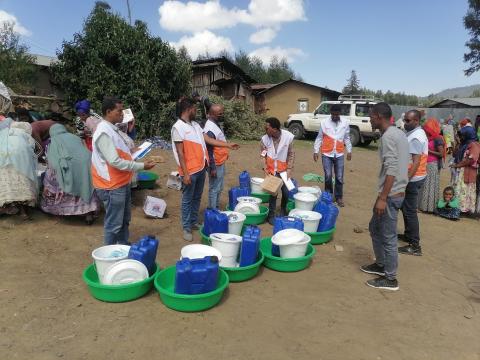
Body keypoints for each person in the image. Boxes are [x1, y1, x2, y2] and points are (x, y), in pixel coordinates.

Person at [92, 96, 155, 245]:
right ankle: (109, 255)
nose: (122, 114)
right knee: (114, 224)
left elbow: (119, 152)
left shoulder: (113, 129)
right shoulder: (103, 132)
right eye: (119, 111)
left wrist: (135, 151)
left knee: (124, 219)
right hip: (111, 185)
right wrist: (141, 166)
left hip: (121, 182)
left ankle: (122, 245)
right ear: (108, 112)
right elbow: (115, 161)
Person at [360, 103, 408, 291]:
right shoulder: (399, 134)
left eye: (371, 116)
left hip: (390, 195)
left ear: (379, 116)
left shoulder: (389, 137)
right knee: (374, 227)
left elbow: (392, 169)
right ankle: (381, 265)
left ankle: (390, 278)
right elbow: (406, 164)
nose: (369, 120)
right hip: (392, 192)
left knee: (388, 236)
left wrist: (383, 197)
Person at [40, 124, 100, 224]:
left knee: (50, 178)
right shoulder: (75, 137)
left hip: (67, 165)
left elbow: (52, 161)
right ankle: (88, 213)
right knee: (85, 183)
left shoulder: (52, 141)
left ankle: (57, 209)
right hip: (86, 163)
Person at [172, 98, 209, 242]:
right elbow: (180, 153)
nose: (196, 111)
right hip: (189, 172)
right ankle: (186, 227)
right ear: (188, 110)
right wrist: (186, 173)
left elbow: (205, 140)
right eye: (195, 109)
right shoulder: (177, 128)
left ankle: (193, 222)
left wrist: (226, 145)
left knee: (197, 197)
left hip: (200, 167)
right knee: (187, 199)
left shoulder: (195, 125)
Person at [398, 110, 428, 256]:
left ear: (416, 121)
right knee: (405, 208)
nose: (405, 122)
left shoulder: (416, 136)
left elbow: (416, 162)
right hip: (414, 176)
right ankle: (408, 235)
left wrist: (405, 180)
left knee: (410, 210)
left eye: (408, 121)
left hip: (413, 178)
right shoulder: (413, 133)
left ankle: (415, 245)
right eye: (405, 120)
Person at [313, 104, 352, 207]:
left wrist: (349, 150)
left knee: (339, 177)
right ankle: (328, 196)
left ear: (340, 113)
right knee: (328, 176)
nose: (335, 116)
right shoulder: (324, 123)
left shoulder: (345, 123)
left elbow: (347, 138)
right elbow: (319, 138)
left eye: (337, 114)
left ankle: (339, 197)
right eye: (333, 114)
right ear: (330, 113)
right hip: (326, 153)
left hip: (339, 153)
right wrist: (316, 151)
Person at [203, 104, 239, 209]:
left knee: (219, 186)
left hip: (220, 161)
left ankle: (216, 207)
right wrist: (212, 167)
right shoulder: (210, 129)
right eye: (220, 114)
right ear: (212, 114)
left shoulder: (215, 123)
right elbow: (209, 149)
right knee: (214, 188)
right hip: (215, 163)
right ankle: (212, 210)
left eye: (222, 113)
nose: (222, 115)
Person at [0, 120, 38, 219]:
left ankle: (5, 207)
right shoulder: (24, 134)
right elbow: (32, 149)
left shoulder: (3, 134)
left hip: (3, 163)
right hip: (21, 163)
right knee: (23, 183)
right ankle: (23, 212)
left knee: (7, 185)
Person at [261, 117, 295, 224]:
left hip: (284, 170)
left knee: (286, 191)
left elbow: (291, 154)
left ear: (275, 129)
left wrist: (289, 168)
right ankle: (271, 215)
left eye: (267, 128)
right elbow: (262, 155)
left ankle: (283, 209)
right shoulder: (264, 139)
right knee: (273, 193)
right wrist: (265, 169)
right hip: (272, 170)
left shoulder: (288, 137)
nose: (265, 130)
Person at [451, 126, 480, 215]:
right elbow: (454, 154)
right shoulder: (464, 144)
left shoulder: (474, 145)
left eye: (463, 135)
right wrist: (457, 143)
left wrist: (457, 165)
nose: (461, 137)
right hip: (460, 171)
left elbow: (472, 159)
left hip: (467, 171)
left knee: (465, 190)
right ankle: (457, 207)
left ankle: (465, 210)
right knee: (458, 189)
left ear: (468, 134)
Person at [418, 118, 445, 213]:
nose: (426, 129)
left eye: (427, 127)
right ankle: (423, 207)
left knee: (430, 186)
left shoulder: (437, 138)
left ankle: (429, 208)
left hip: (432, 164)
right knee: (425, 185)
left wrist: (428, 151)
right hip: (426, 163)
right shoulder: (429, 138)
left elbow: (441, 154)